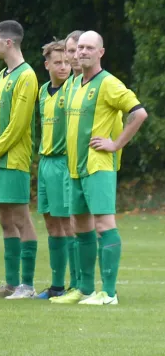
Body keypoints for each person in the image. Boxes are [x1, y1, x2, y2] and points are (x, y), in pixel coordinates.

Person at [51, 31, 147, 305]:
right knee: (80, 226)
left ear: (101, 52)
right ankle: (84, 288)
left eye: (89, 48)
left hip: (98, 166)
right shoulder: (74, 84)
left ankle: (109, 293)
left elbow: (138, 113)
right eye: (79, 47)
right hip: (75, 168)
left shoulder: (108, 83)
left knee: (104, 225)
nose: (82, 52)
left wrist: (116, 144)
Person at [0, 20, 39, 299]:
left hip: (13, 159)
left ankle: (27, 285)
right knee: (5, 219)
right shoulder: (3, 75)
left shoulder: (26, 76)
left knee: (21, 218)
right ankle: (11, 283)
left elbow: (18, 123)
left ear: (8, 42)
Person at [34, 40, 72, 299]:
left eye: (67, 62)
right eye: (58, 62)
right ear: (47, 65)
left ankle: (79, 284)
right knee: (51, 225)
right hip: (45, 162)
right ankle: (57, 285)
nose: (64, 67)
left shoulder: (73, 89)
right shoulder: (42, 90)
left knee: (69, 225)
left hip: (64, 162)